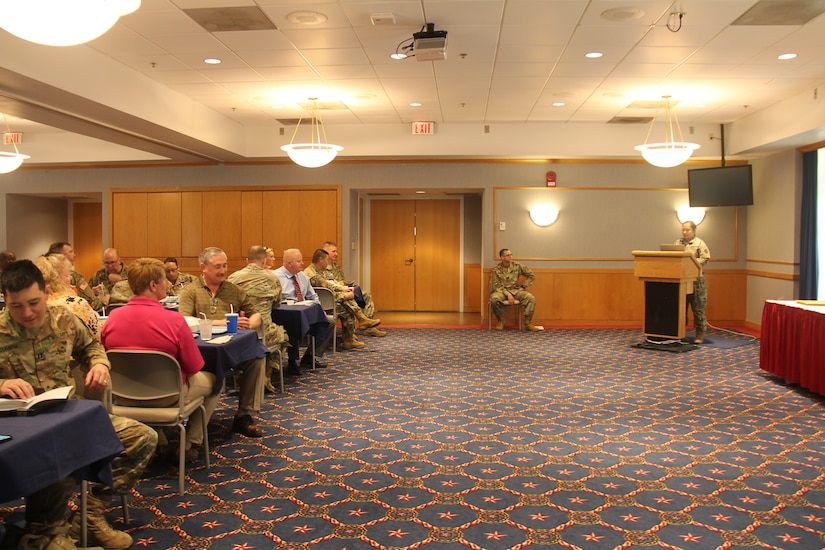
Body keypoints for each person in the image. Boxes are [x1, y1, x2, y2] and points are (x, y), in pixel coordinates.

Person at [0, 260, 157, 550]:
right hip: (21, 426)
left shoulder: (63, 318)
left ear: (47, 292)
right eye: (16, 306)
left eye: (34, 302)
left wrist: (99, 365)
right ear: (5, 301)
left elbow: (91, 347)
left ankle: (89, 517)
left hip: (64, 412)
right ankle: (45, 530)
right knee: (56, 454)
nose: (27, 313)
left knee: (142, 438)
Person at [101, 258, 218, 460]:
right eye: (164, 280)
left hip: (124, 396)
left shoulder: (112, 319)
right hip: (170, 397)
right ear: (153, 285)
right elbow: (193, 366)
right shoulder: (174, 321)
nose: (167, 284)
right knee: (216, 380)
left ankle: (161, 443)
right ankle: (190, 443)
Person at [178, 247, 266, 438]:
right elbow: (184, 321)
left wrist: (251, 323)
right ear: (203, 267)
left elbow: (255, 313)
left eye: (225, 265)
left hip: (231, 348)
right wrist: (219, 323)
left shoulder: (234, 290)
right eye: (217, 266)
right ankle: (193, 420)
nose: (223, 270)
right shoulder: (190, 291)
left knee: (257, 358)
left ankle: (245, 414)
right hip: (200, 352)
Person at [227, 246, 289, 392]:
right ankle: (266, 375)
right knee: (283, 336)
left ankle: (242, 374)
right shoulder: (272, 278)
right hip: (265, 330)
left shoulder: (233, 278)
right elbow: (277, 303)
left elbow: (229, 305)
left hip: (240, 330)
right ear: (264, 261)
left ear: (247, 260)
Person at [274, 248, 336, 375]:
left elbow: (313, 296)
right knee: (293, 323)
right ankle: (292, 361)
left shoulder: (302, 276)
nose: (303, 264)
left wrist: (320, 310)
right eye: (299, 261)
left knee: (329, 322)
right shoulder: (275, 277)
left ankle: (310, 355)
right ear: (289, 263)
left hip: (305, 312)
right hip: (285, 316)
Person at [304, 248, 381, 350]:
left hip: (330, 301)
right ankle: (355, 328)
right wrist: (345, 295)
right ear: (321, 259)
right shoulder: (311, 274)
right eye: (326, 260)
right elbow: (325, 291)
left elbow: (331, 285)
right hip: (320, 305)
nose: (328, 263)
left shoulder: (320, 272)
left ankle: (352, 333)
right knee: (347, 304)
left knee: (346, 304)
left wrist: (344, 289)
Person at [322, 241, 386, 337]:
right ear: (325, 253)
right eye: (334, 251)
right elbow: (327, 286)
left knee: (366, 295)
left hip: (343, 290)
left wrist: (349, 286)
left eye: (336, 251)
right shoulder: (322, 268)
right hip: (333, 297)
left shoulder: (336, 267)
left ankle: (369, 327)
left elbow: (341, 281)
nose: (336, 254)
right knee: (349, 298)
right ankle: (350, 335)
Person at [35, 254, 101, 338]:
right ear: (57, 279)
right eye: (67, 275)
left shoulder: (35, 305)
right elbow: (97, 335)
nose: (70, 278)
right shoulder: (75, 303)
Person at [490, 248, 542, 332]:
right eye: (508, 255)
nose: (511, 257)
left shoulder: (517, 266)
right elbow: (496, 285)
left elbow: (531, 276)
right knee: (494, 299)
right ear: (502, 257)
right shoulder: (496, 269)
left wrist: (524, 286)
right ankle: (501, 320)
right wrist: (508, 294)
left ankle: (528, 323)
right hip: (501, 291)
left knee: (530, 298)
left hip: (515, 290)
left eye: (511, 255)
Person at [677, 221, 711, 344]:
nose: (685, 232)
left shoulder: (699, 244)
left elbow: (705, 258)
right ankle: (680, 332)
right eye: (683, 230)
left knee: (698, 308)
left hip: (696, 281)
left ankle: (699, 333)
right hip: (682, 281)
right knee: (681, 307)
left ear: (694, 230)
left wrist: (691, 261)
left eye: (687, 230)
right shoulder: (678, 243)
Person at [47, 241, 101, 311]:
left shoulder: (47, 274)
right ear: (61, 256)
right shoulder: (74, 277)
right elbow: (91, 302)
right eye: (70, 252)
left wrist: (92, 292)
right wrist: (103, 301)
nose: (74, 255)